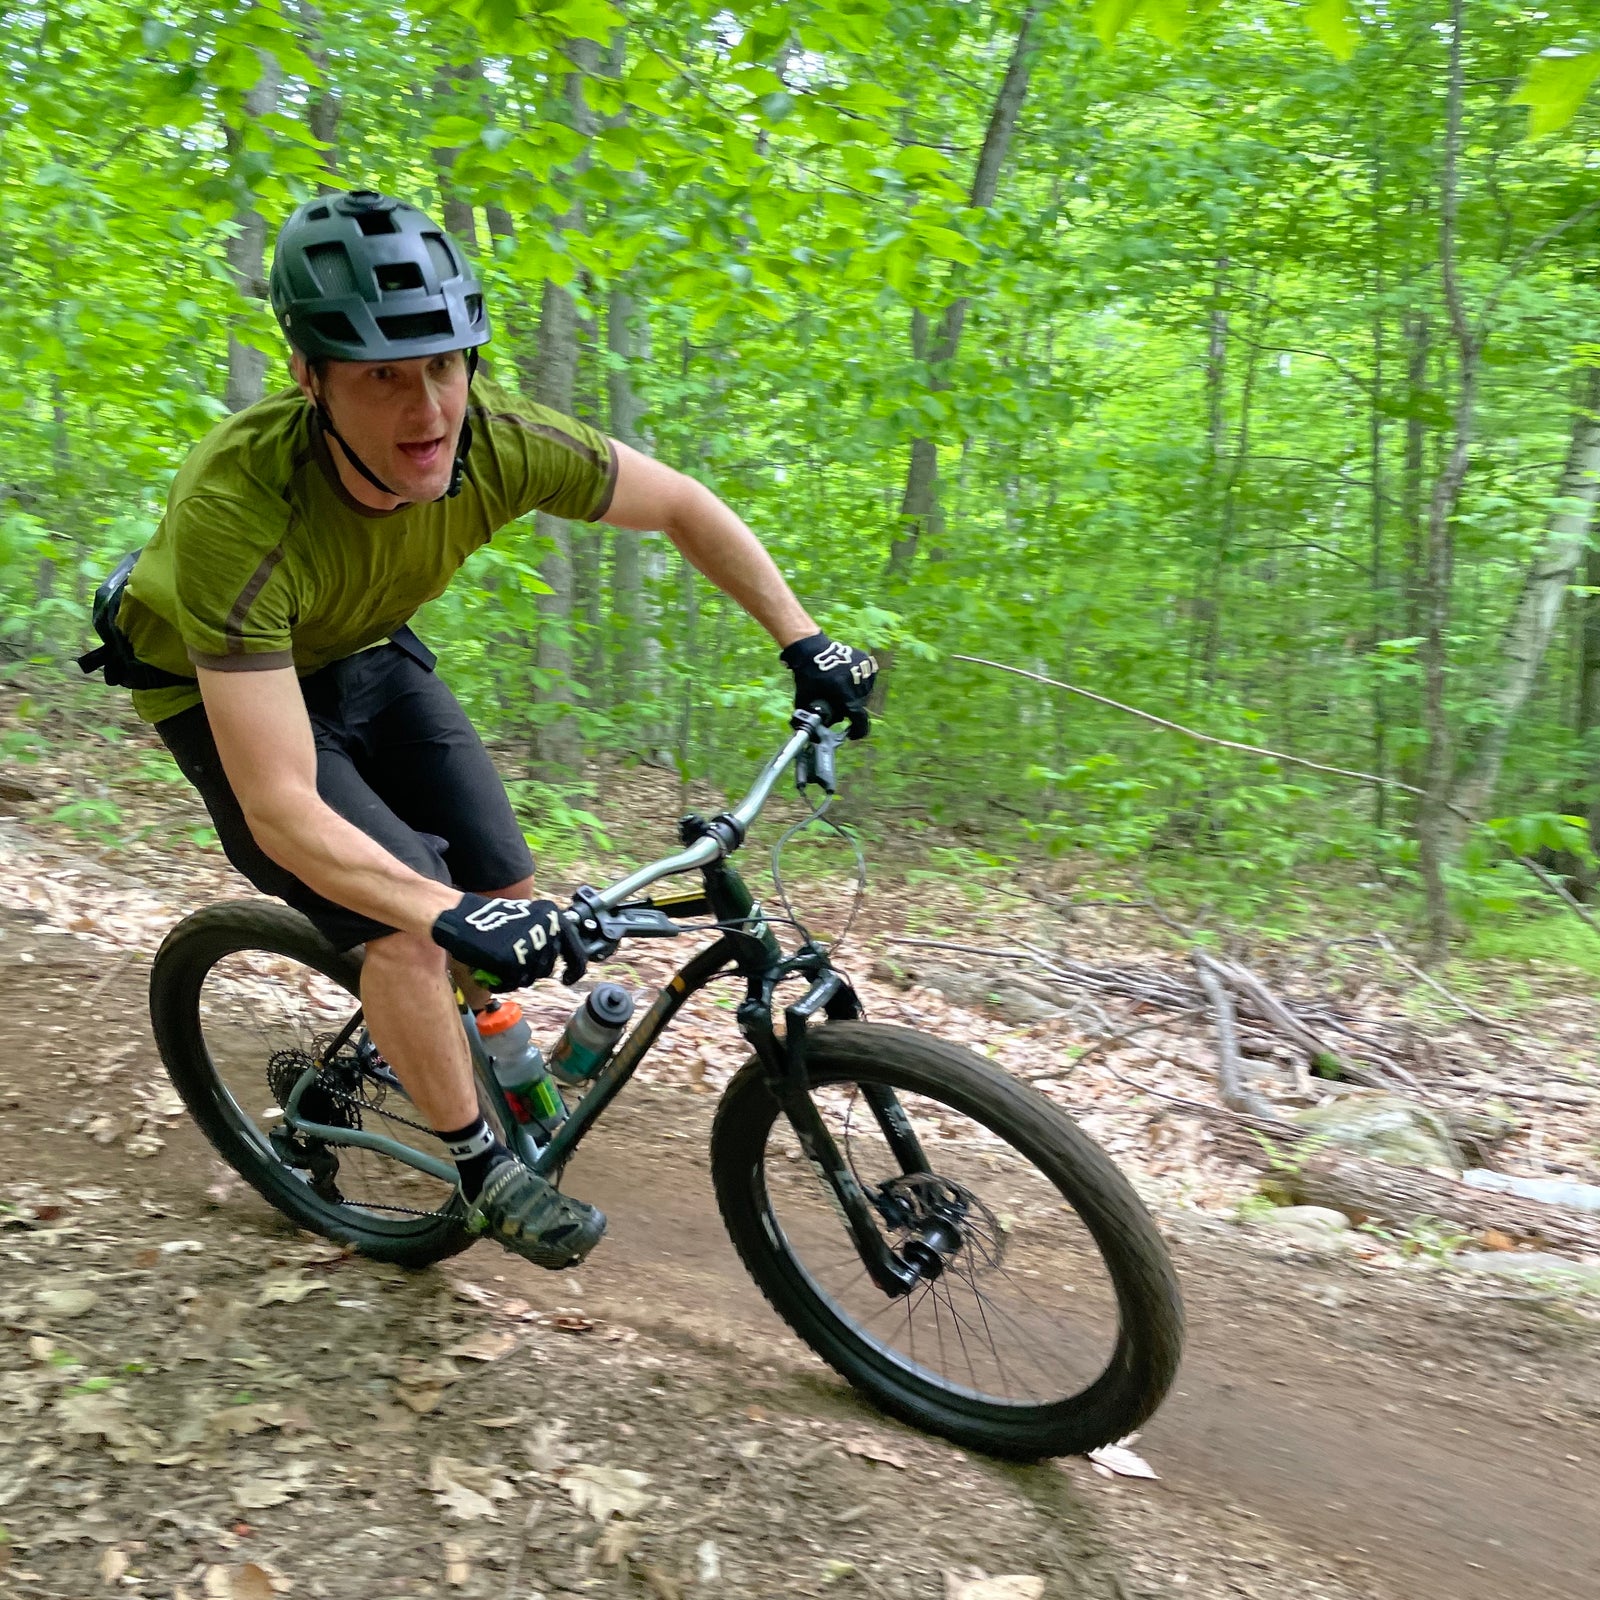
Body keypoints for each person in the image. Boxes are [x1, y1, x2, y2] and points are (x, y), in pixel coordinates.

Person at [109, 188, 877, 1270]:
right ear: (309, 378)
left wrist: (805, 642)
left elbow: (681, 505)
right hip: (214, 683)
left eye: (443, 364)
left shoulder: (499, 444)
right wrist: (436, 913)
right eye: (382, 376)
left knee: (507, 891)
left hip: (361, 645)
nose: (426, 409)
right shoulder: (238, 511)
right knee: (413, 923)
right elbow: (279, 804)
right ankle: (479, 1170)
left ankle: (435, 1035)